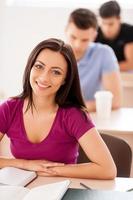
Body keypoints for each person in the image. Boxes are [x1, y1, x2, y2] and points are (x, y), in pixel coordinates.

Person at [0, 38, 116, 179]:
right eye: (39, 66)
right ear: (30, 67)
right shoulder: (9, 108)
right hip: (22, 190)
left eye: (56, 72)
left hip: (62, 190)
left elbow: (108, 170)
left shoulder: (73, 115)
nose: (44, 78)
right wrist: (26, 164)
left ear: (65, 80)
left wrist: (53, 170)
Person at [65, 8, 122, 112]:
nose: (77, 45)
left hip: (89, 117)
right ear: (66, 30)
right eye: (73, 37)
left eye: (84, 40)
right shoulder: (54, 54)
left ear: (94, 36)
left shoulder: (104, 53)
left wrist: (73, 110)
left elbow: (115, 101)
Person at [96, 1, 133, 71]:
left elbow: (131, 64)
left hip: (125, 72)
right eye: (103, 23)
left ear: (119, 19)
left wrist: (104, 68)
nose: (107, 28)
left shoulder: (129, 31)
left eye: (111, 24)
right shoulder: (94, 32)